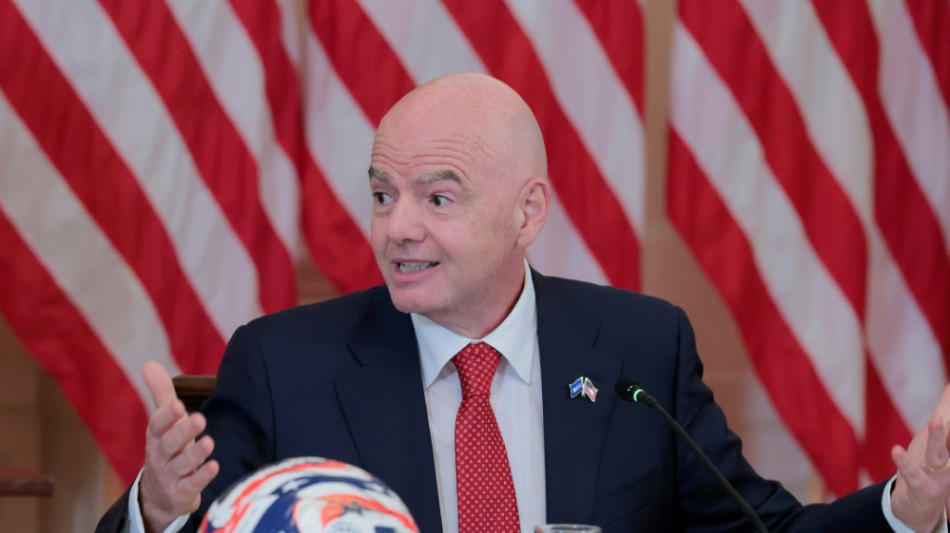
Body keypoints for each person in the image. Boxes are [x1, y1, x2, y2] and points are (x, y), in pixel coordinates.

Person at [97, 73, 950, 533]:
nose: (397, 227)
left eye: (438, 198)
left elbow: (763, 532)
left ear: (527, 212)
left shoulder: (642, 347)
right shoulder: (286, 365)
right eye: (383, 193)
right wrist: (160, 509)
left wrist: (904, 511)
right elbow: (213, 524)